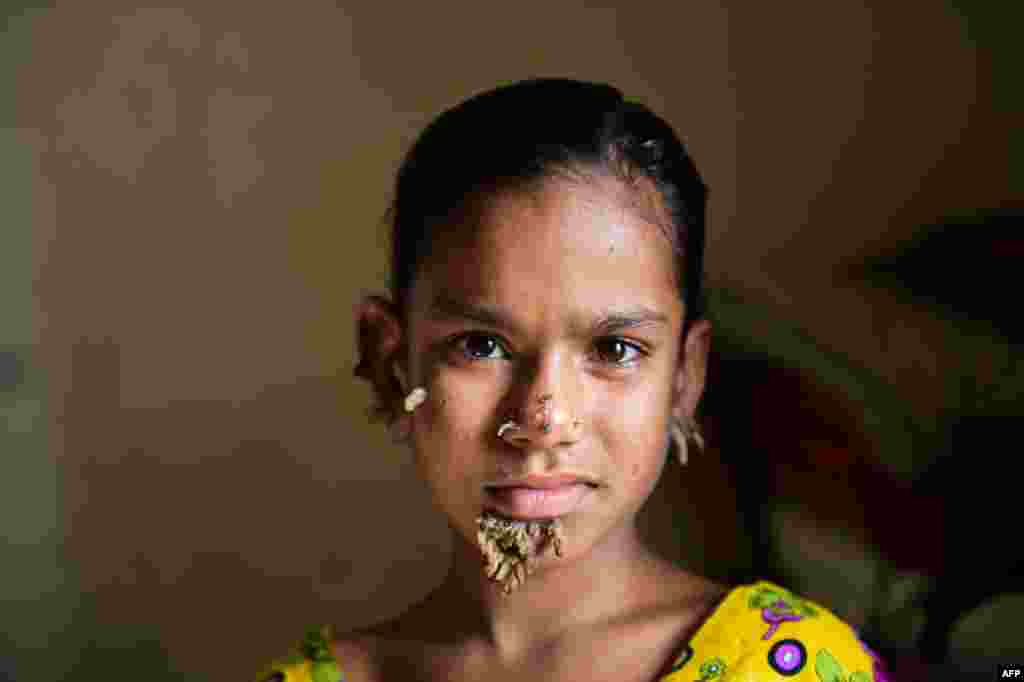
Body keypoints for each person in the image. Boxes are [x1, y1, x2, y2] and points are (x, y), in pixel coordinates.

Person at [255, 78, 889, 681]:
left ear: (685, 378)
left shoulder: (789, 666)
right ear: (393, 363)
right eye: (481, 345)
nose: (544, 418)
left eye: (615, 348)